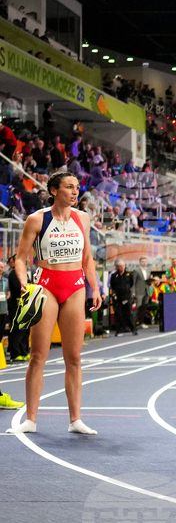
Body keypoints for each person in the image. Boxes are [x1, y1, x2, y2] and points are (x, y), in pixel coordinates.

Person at [6, 172, 102, 435]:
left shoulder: (83, 218)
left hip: (75, 287)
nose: (75, 192)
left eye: (77, 187)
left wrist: (95, 288)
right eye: (69, 187)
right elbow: (21, 257)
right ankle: (30, 420)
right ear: (53, 190)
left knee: (74, 357)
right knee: (38, 356)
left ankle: (75, 420)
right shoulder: (36, 219)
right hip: (46, 286)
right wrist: (24, 280)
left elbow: (88, 259)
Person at [6, 255, 29, 362]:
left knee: (25, 329)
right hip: (16, 304)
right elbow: (18, 288)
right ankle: (15, 353)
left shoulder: (25, 274)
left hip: (25, 304)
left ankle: (24, 351)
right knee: (16, 329)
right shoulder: (13, 274)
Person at [109, 259, 136, 336]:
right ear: (117, 267)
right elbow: (112, 285)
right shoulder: (114, 276)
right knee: (118, 314)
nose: (121, 268)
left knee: (129, 313)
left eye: (122, 266)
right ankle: (119, 330)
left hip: (127, 297)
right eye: (119, 266)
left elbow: (131, 283)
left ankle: (133, 329)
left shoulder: (129, 275)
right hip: (118, 297)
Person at [133, 256, 152, 327]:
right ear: (140, 263)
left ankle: (141, 322)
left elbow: (148, 281)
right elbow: (133, 282)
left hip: (146, 291)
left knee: (144, 308)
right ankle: (133, 323)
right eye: (143, 261)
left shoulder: (148, 270)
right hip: (139, 292)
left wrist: (150, 281)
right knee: (138, 308)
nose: (144, 263)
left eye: (145, 261)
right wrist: (133, 292)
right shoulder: (136, 271)